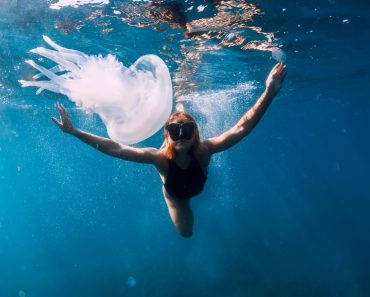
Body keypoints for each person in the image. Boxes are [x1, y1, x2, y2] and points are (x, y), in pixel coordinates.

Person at [52, 63, 287, 238]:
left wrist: (270, 92)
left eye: (187, 130)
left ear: (196, 132)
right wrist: (75, 132)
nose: (182, 136)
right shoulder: (159, 159)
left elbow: (242, 127)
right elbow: (115, 148)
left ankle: (180, 105)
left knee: (187, 232)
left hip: (190, 180)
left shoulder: (205, 150)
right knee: (186, 232)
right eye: (175, 131)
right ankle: (178, 109)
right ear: (167, 135)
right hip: (176, 197)